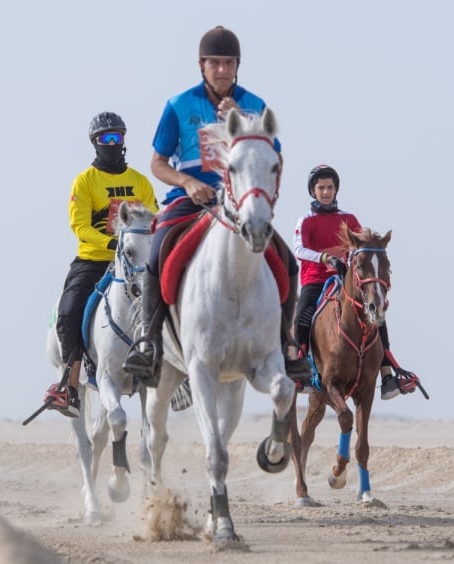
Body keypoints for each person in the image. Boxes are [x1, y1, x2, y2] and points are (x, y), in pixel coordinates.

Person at [122, 26, 312, 386]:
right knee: (157, 251)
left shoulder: (254, 105)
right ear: (201, 65)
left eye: (228, 62)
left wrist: (238, 116)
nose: (222, 69)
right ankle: (148, 341)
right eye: (215, 63)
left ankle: (287, 345)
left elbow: (274, 157)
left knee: (285, 260)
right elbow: (157, 163)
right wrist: (188, 183)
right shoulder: (178, 105)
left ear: (237, 65)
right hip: (191, 201)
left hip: (238, 203)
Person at [43, 112, 159, 417]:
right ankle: (69, 386)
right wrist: (112, 244)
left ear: (123, 140)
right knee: (68, 312)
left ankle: (178, 377)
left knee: (171, 300)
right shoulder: (84, 182)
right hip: (94, 260)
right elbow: (79, 226)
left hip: (136, 262)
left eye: (116, 137)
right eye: (105, 138)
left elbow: (155, 217)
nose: (111, 143)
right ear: (95, 143)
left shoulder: (140, 181)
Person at [293, 164, 418, 400]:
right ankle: (301, 373)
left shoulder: (349, 219)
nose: (326, 192)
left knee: (376, 315)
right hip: (315, 280)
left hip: (346, 280)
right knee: (303, 316)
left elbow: (360, 250)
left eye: (330, 187)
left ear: (336, 189)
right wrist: (325, 257)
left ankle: (388, 375)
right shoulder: (306, 220)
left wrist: (350, 259)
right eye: (321, 188)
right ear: (313, 191)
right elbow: (299, 248)